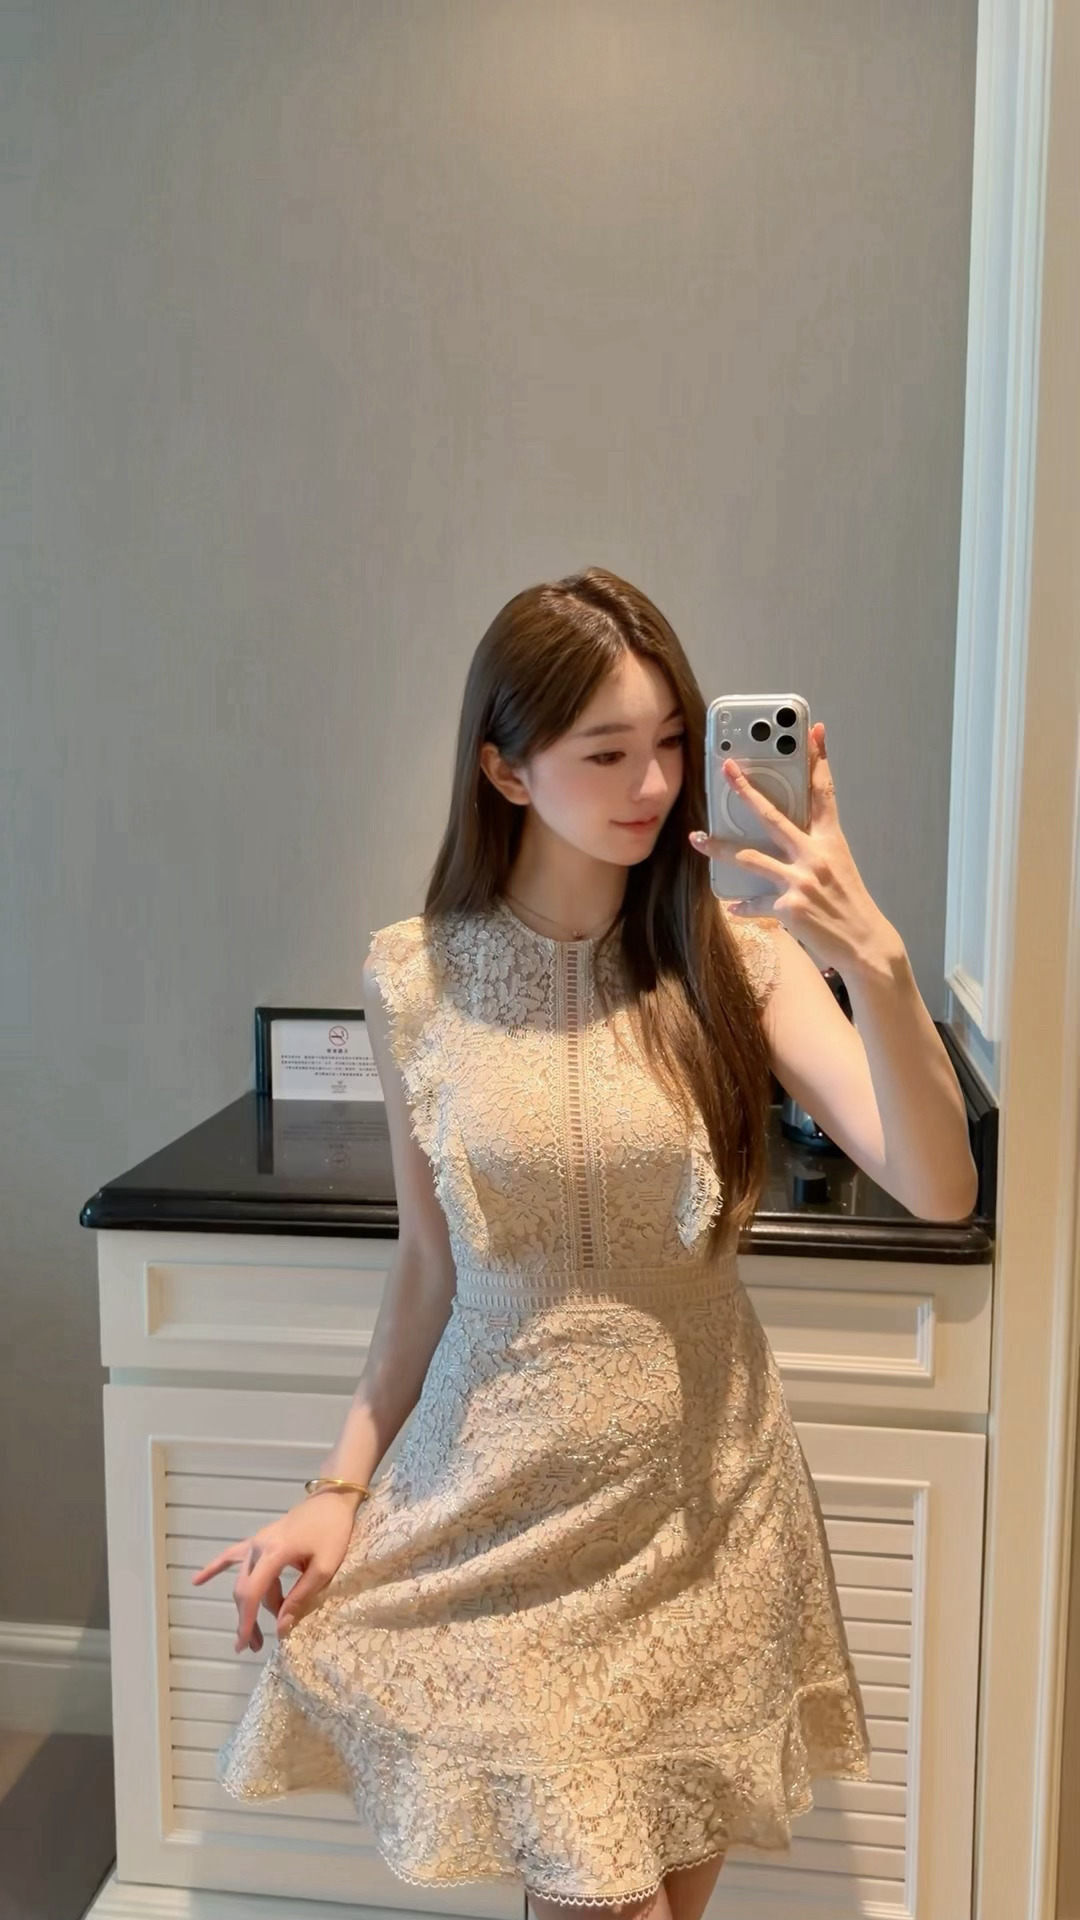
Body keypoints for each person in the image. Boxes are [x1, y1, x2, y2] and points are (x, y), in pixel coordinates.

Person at [192, 566, 978, 1920]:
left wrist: (875, 963)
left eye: (670, 741)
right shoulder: (413, 977)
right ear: (504, 770)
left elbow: (940, 1186)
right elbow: (429, 1266)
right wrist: (338, 1485)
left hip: (705, 1516)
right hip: (505, 1518)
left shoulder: (741, 962)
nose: (656, 783)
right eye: (606, 752)